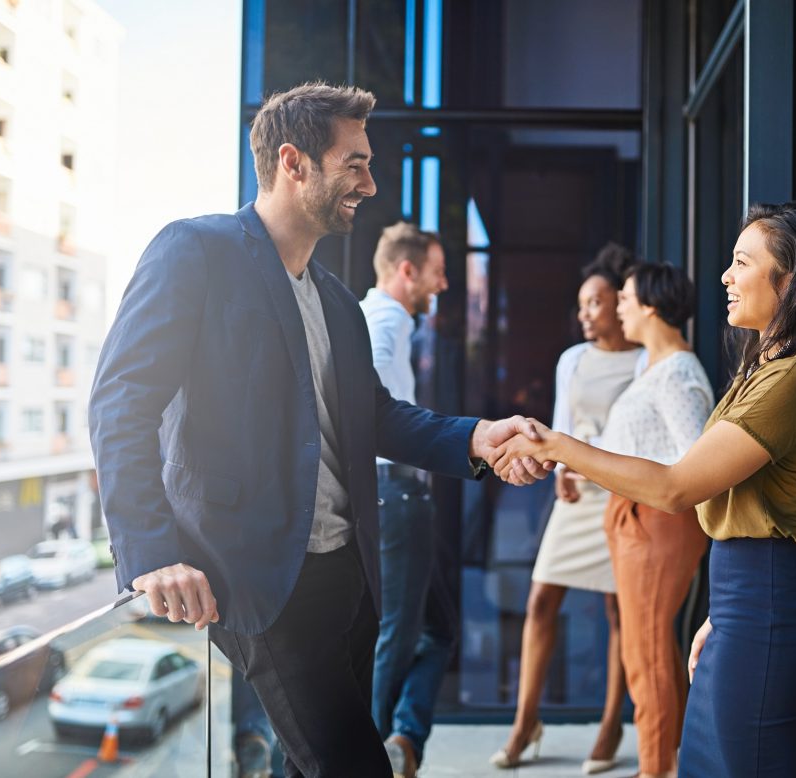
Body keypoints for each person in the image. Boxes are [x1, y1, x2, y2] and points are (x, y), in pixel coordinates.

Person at [88, 81, 550, 778]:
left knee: (304, 766)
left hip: (351, 573)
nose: (370, 181)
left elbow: (378, 416)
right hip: (261, 579)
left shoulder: (336, 301)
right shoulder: (195, 251)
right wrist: (152, 552)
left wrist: (476, 437)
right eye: (355, 162)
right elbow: (121, 400)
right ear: (293, 162)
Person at [490, 202, 796, 778]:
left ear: (790, 280)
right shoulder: (766, 368)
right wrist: (722, 615)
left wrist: (557, 445)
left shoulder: (793, 379)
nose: (725, 276)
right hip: (745, 602)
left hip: (767, 604)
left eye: (742, 262)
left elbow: (675, 487)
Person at [490, 244, 644, 773]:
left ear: (619, 302)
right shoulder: (572, 360)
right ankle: (524, 722)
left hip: (627, 494)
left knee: (620, 612)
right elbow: (560, 425)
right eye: (581, 304)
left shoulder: (648, 356)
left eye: (595, 303)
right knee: (540, 602)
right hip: (578, 494)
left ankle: (610, 724)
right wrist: (558, 476)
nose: (585, 313)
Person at [598, 263, 713, 778]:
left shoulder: (679, 374)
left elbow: (695, 463)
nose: (618, 305)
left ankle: (656, 769)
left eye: (624, 297)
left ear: (649, 304)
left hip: (657, 522)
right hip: (632, 516)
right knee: (647, 647)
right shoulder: (652, 364)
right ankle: (669, 764)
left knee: (645, 652)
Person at [361, 222, 453, 778]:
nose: (441, 285)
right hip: (393, 494)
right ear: (407, 270)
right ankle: (372, 756)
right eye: (438, 273)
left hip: (396, 493)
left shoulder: (379, 316)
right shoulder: (387, 317)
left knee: (436, 628)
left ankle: (402, 740)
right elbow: (364, 383)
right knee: (397, 634)